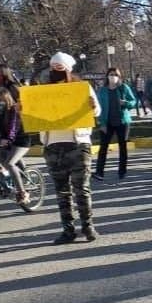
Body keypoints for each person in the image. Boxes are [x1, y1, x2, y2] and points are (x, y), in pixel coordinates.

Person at [41, 52, 102, 244]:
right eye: (54, 68)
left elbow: (97, 110)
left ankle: (87, 226)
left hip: (78, 144)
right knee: (61, 191)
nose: (57, 71)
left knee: (81, 189)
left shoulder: (81, 89)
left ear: (69, 69)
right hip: (53, 145)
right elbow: (32, 113)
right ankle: (68, 230)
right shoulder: (42, 92)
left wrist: (92, 106)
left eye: (61, 68)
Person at [93, 68, 138, 182]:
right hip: (107, 122)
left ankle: (122, 171)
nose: (113, 77)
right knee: (103, 147)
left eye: (115, 75)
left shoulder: (124, 88)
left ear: (119, 77)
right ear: (107, 76)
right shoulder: (102, 91)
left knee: (123, 147)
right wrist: (101, 123)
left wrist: (126, 103)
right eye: (111, 74)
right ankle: (99, 172)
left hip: (122, 121)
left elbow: (133, 101)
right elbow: (99, 108)